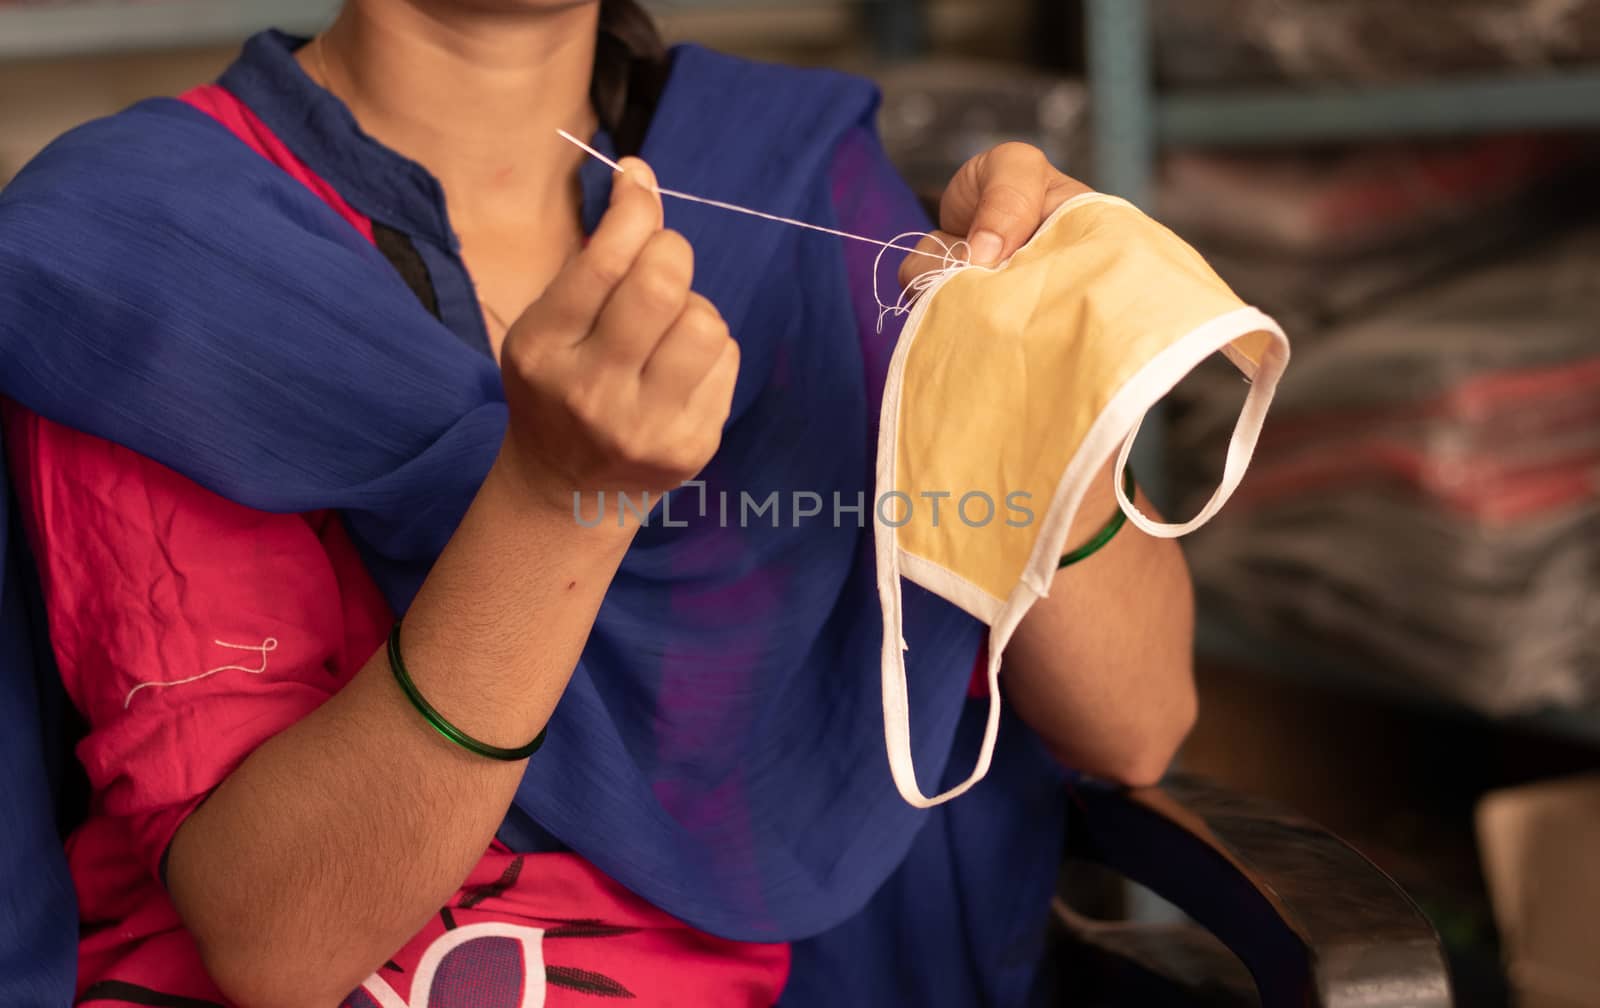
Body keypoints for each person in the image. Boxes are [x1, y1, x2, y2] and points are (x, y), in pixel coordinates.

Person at [0, 1, 1196, 1005]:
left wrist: (1041, 358)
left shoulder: (798, 181)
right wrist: (553, 499)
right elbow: (280, 942)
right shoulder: (147, 254)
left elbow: (1135, 721)